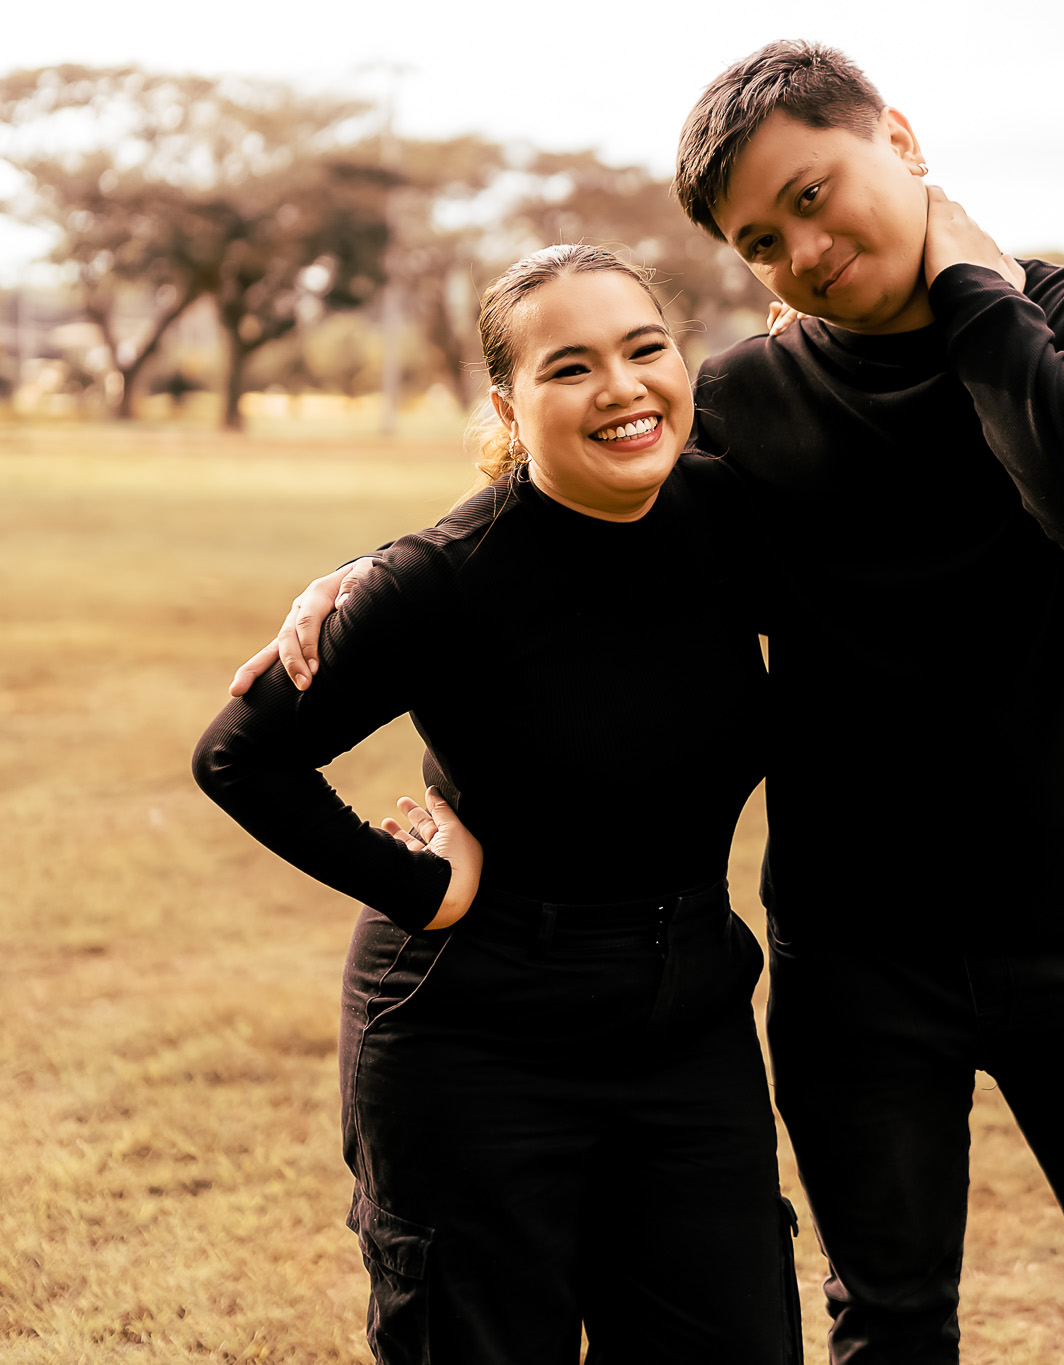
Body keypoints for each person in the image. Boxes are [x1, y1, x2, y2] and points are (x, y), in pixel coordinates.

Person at [240, 41, 1064, 1365]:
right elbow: (576, 509)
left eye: (816, 195)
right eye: (762, 241)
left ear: (898, 135)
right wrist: (387, 569)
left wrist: (975, 295)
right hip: (854, 951)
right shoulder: (750, 398)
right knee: (887, 1323)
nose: (806, 250)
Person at [193, 245, 797, 1365]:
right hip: (475, 1038)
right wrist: (416, 888)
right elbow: (240, 756)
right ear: (506, 404)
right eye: (568, 367)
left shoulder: (730, 515)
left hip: (690, 1023)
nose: (619, 387)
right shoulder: (441, 581)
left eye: (642, 348)